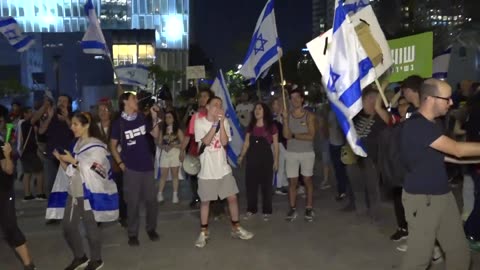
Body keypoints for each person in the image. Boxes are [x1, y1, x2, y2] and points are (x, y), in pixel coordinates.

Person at [399, 78, 480, 270]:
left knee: (459, 252)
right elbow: (456, 149)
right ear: (430, 99)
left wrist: (474, 160)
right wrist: (463, 155)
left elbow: (442, 156)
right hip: (422, 199)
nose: (451, 103)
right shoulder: (417, 126)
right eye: (447, 99)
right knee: (419, 259)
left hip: (443, 195)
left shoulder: (433, 124)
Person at [52, 112, 118, 270]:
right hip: (73, 191)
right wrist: (62, 160)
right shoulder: (76, 144)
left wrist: (73, 160)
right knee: (68, 227)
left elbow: (97, 169)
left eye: (76, 124)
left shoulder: (97, 146)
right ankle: (80, 257)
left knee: (90, 229)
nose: (72, 127)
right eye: (72, 124)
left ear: (86, 125)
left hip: (89, 193)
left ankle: (96, 259)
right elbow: (71, 169)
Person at [194, 96, 253, 248]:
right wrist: (215, 124)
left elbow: (225, 142)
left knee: (232, 198)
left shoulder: (224, 122)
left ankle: (236, 227)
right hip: (207, 170)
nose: (218, 108)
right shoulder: (199, 122)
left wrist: (221, 122)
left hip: (223, 169)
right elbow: (205, 141)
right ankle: (203, 232)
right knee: (206, 202)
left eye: (220, 105)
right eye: (215, 105)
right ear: (207, 107)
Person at [110, 92, 161, 247]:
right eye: (133, 98)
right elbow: (112, 146)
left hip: (147, 166)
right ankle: (132, 234)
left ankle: (151, 229)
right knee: (132, 203)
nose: (136, 100)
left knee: (151, 201)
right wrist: (121, 164)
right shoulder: (118, 123)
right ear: (125, 102)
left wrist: (154, 117)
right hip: (131, 169)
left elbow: (155, 135)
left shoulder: (140, 118)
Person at [0, 108, 36, 270]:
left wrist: (7, 155)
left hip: (3, 191)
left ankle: (29, 266)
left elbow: (8, 169)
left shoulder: (2, 143)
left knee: (10, 228)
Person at [238, 102, 279, 221]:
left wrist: (276, 161)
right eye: (255, 109)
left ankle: (267, 211)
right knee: (251, 185)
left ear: (265, 111)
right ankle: (251, 209)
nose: (257, 111)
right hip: (252, 158)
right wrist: (241, 156)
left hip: (266, 158)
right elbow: (246, 143)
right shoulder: (251, 126)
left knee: (266, 186)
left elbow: (275, 145)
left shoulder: (271, 126)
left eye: (260, 109)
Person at [282, 89, 316, 222]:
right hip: (291, 153)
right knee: (292, 182)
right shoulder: (288, 115)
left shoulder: (309, 116)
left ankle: (309, 207)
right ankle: (292, 208)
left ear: (302, 99)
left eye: (297, 97)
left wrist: (295, 135)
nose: (295, 100)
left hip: (307, 153)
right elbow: (285, 135)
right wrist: (285, 120)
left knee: (307, 180)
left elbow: (311, 136)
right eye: (292, 98)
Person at [180, 89, 214, 208]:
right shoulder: (195, 116)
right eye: (200, 97)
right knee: (194, 178)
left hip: (210, 153)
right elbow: (188, 135)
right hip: (194, 152)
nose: (202, 99)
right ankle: (197, 197)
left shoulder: (214, 115)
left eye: (205, 96)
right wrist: (182, 150)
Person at [96, 100, 127, 227]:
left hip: (114, 161)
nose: (103, 112)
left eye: (105, 110)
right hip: (98, 163)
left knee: (119, 189)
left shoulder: (116, 126)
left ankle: (123, 215)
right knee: (99, 189)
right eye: (100, 110)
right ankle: (99, 216)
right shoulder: (94, 127)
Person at [19, 107, 46, 201]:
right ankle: (40, 193)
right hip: (31, 151)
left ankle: (27, 195)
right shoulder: (26, 123)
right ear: (25, 114)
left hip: (23, 152)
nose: (32, 113)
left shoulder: (20, 124)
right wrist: (45, 106)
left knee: (27, 173)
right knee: (39, 172)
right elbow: (36, 117)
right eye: (30, 112)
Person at [157, 110, 184, 204]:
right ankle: (160, 194)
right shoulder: (162, 130)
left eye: (170, 117)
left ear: (174, 119)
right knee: (163, 174)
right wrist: (163, 146)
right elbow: (159, 143)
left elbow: (183, 143)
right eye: (166, 117)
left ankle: (175, 194)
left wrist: (174, 146)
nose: (167, 119)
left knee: (175, 174)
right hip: (165, 153)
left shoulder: (178, 130)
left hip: (175, 153)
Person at [270, 97, 288, 195]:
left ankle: (281, 182)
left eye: (278, 104)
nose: (276, 106)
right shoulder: (272, 117)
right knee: (279, 164)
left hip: (282, 143)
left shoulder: (281, 115)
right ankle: (278, 186)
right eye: (275, 104)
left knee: (283, 164)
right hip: (276, 143)